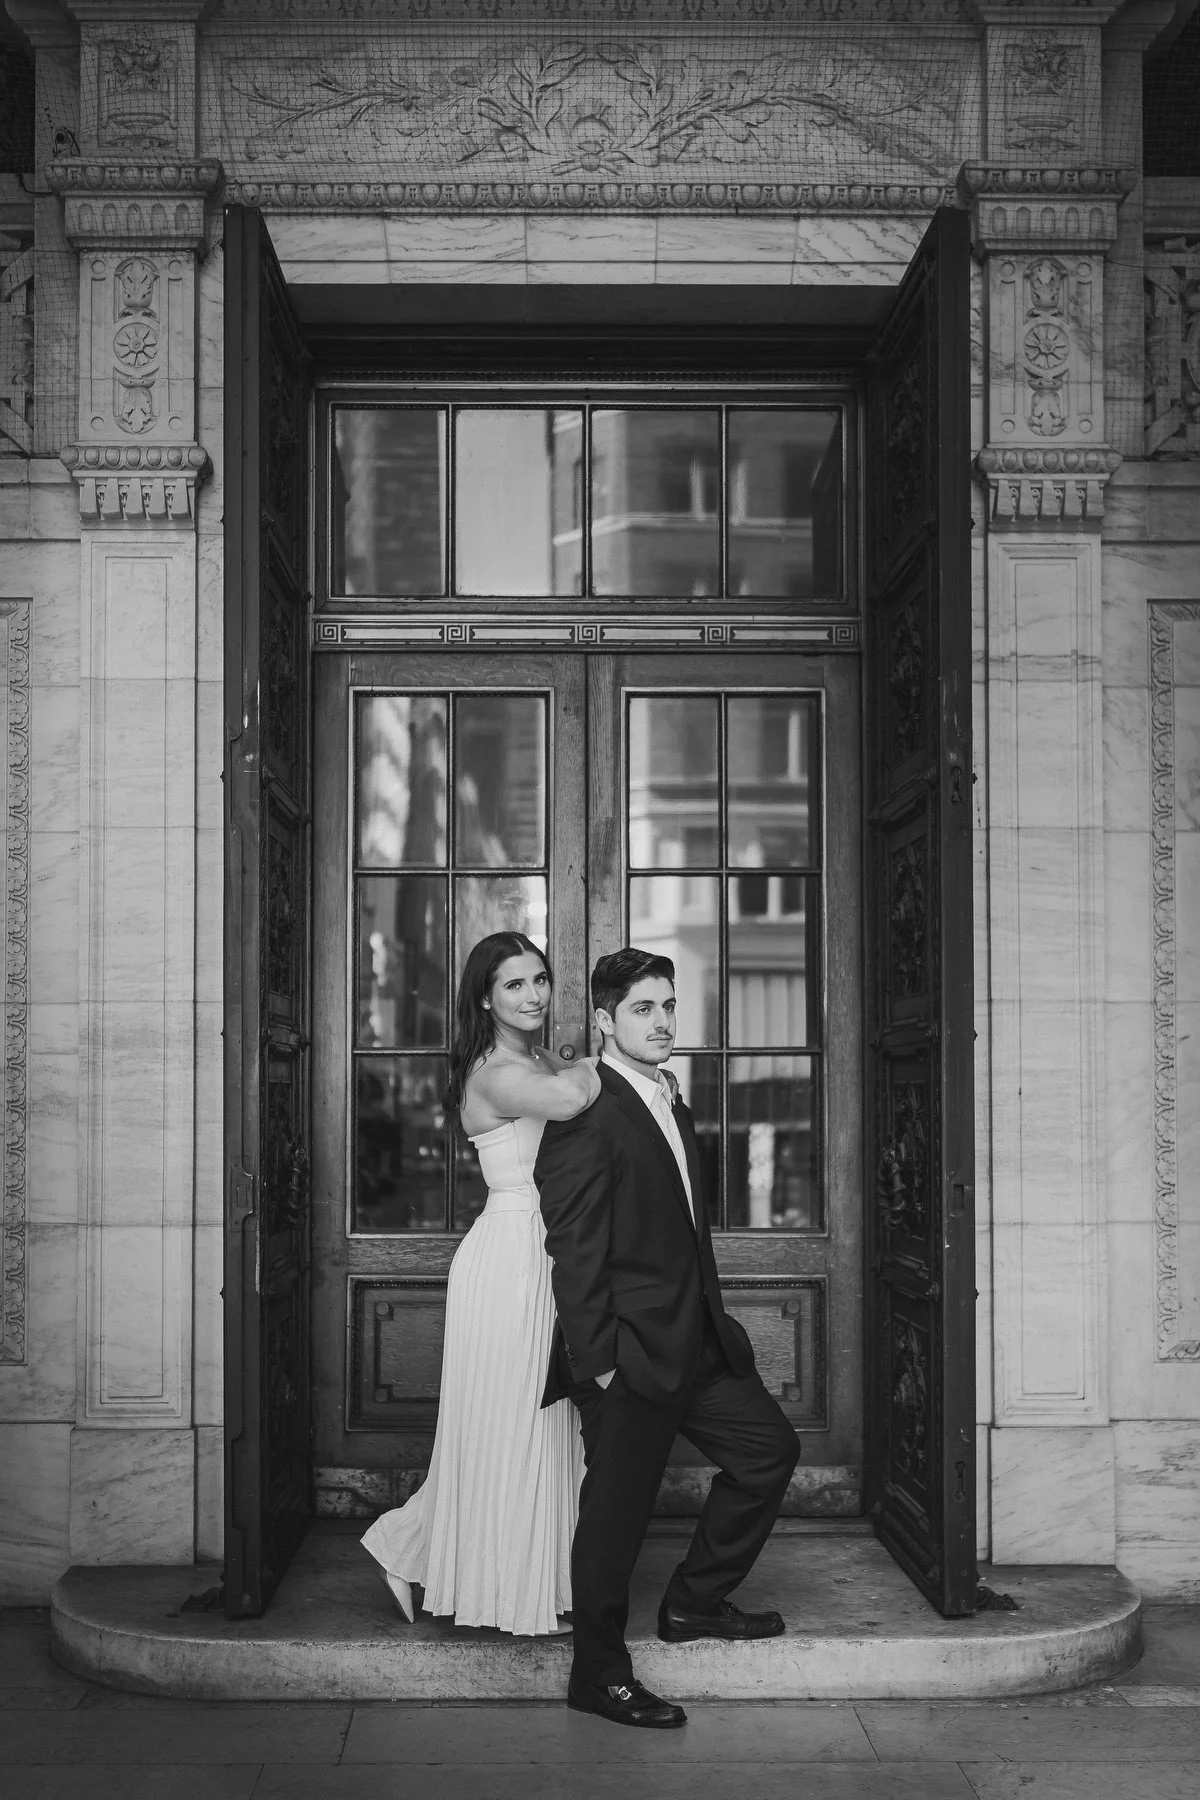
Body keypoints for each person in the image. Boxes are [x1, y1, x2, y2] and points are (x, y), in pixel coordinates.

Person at [536, 948, 800, 1728]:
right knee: (614, 1519)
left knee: (768, 1454)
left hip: (699, 1342)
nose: (662, 1022)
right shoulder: (587, 1111)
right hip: (630, 1354)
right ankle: (599, 1675)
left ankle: (694, 1602)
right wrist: (602, 1365)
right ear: (605, 1020)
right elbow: (573, 1250)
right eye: (644, 1009)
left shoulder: (670, 1101)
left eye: (669, 1006)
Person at [361, 931, 600, 1635]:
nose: (533, 996)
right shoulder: (499, 1069)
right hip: (512, 1257)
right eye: (514, 985)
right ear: (485, 999)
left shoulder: (528, 1056)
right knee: (516, 1426)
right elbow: (568, 1102)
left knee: (533, 1425)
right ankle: (482, 1579)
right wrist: (605, 1058)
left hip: (542, 1250)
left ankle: (410, 1549)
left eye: (539, 980)